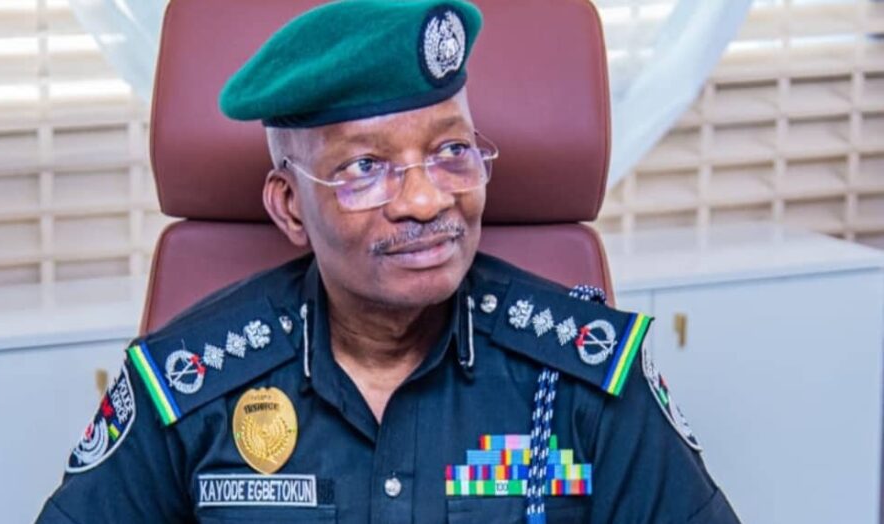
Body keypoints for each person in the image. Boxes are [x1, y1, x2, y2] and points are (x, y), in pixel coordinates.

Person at [37, 1, 740, 522]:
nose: (427, 199)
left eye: (452, 151)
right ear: (289, 206)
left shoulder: (584, 375)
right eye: (366, 167)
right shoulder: (188, 382)